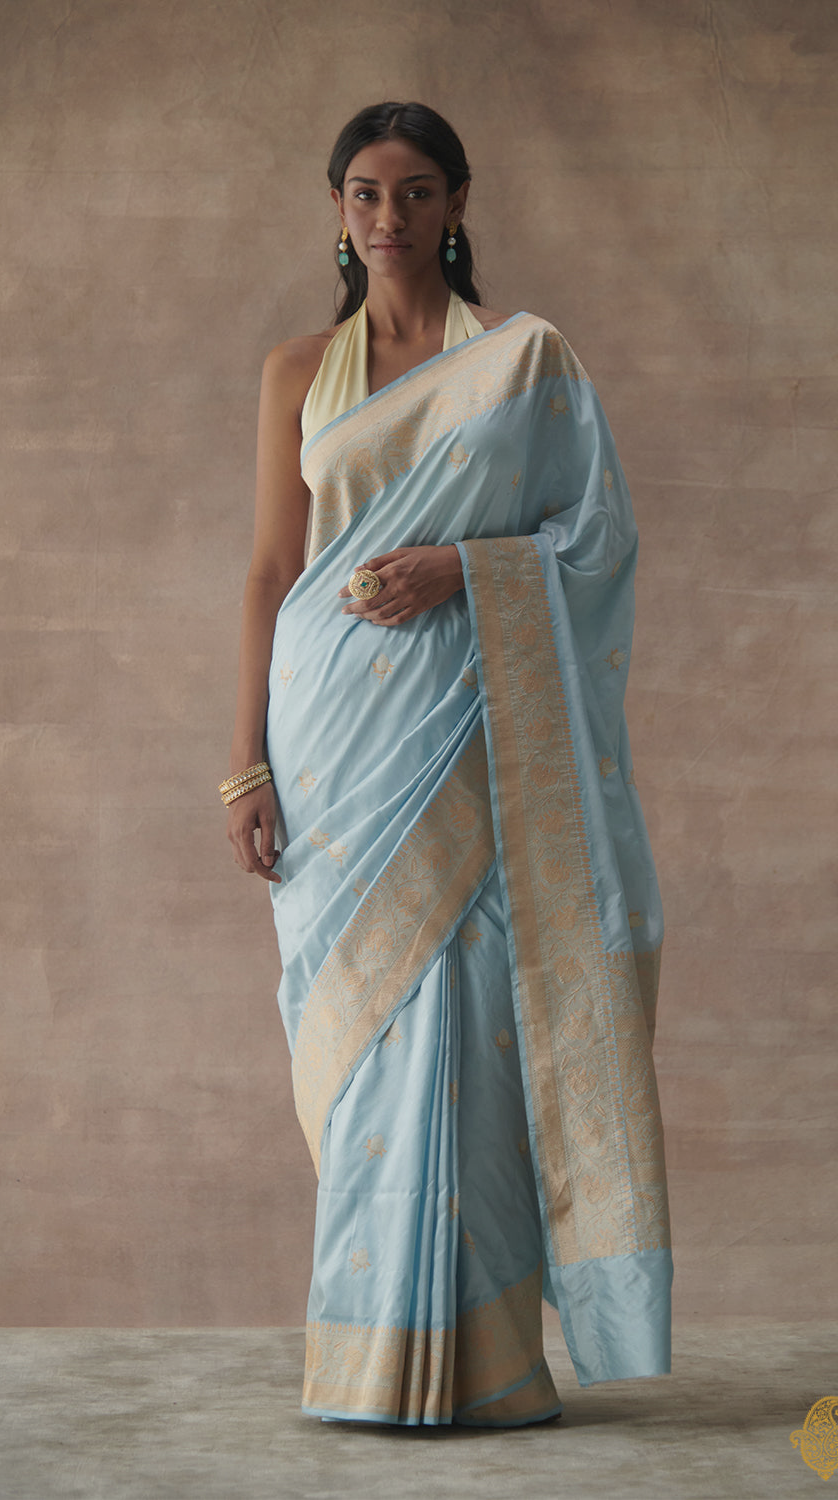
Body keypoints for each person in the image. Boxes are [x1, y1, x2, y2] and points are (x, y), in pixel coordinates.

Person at [223, 101, 672, 1428]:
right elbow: (270, 569)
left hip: (474, 730)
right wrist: (243, 766)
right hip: (334, 744)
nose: (389, 216)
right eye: (366, 192)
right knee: (363, 1041)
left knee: (477, 1023)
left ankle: (487, 1365)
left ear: (457, 203)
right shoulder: (297, 371)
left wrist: (466, 568)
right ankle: (368, 1360)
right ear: (338, 210)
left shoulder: (525, 362)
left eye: (416, 191)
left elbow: (598, 538)